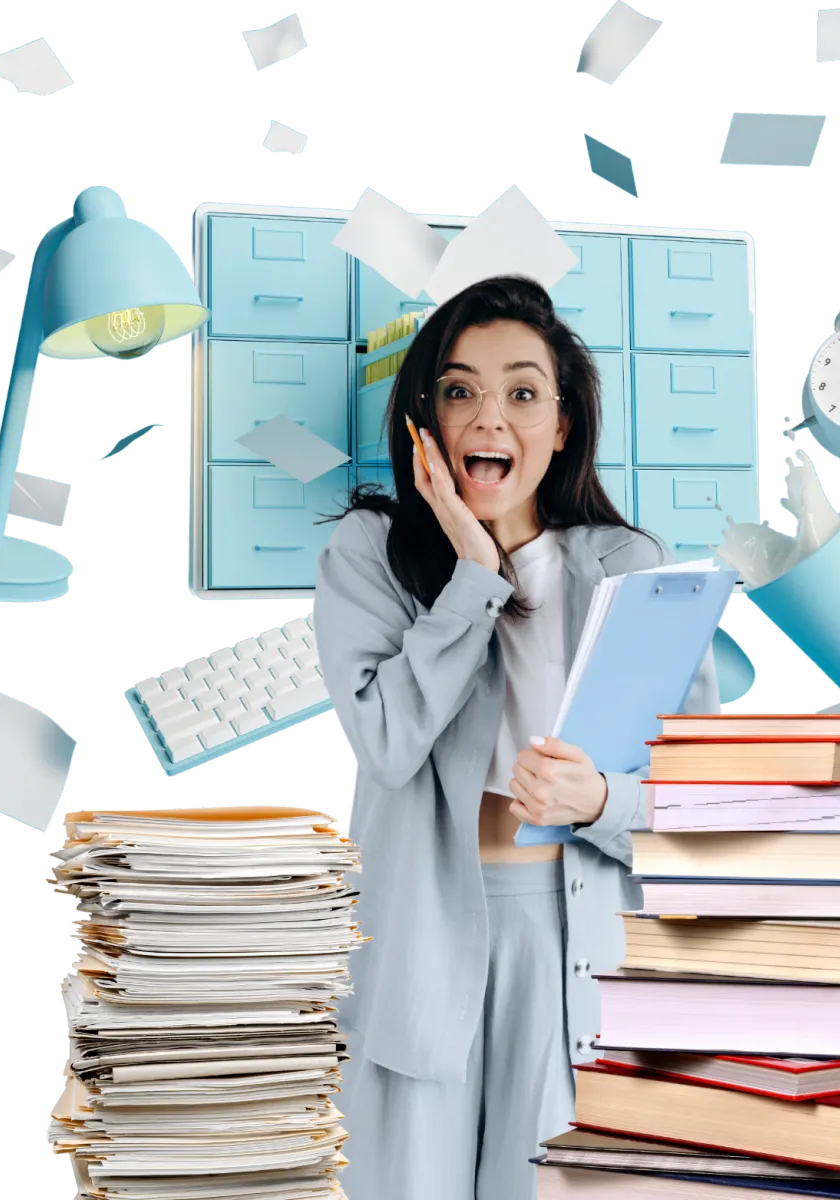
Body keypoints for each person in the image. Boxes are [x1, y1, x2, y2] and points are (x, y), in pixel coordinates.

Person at [314, 276, 719, 1200]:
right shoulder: (369, 554)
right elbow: (385, 743)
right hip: (420, 930)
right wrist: (472, 570)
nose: (488, 416)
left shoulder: (633, 569)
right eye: (459, 391)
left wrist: (605, 800)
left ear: (564, 424)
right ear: (425, 422)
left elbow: (700, 799)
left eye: (523, 392)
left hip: (574, 932)